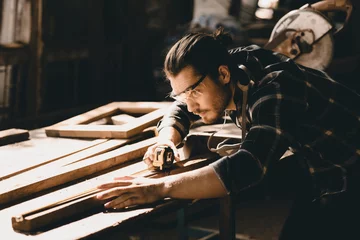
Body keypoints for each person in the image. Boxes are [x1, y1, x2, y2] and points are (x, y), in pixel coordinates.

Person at [96, 27, 360, 240]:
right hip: (326, 171)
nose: (190, 104)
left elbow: (250, 165)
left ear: (222, 74)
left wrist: (161, 187)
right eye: (182, 93)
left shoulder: (276, 87)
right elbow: (180, 109)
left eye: (194, 92)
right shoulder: (232, 63)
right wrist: (166, 141)